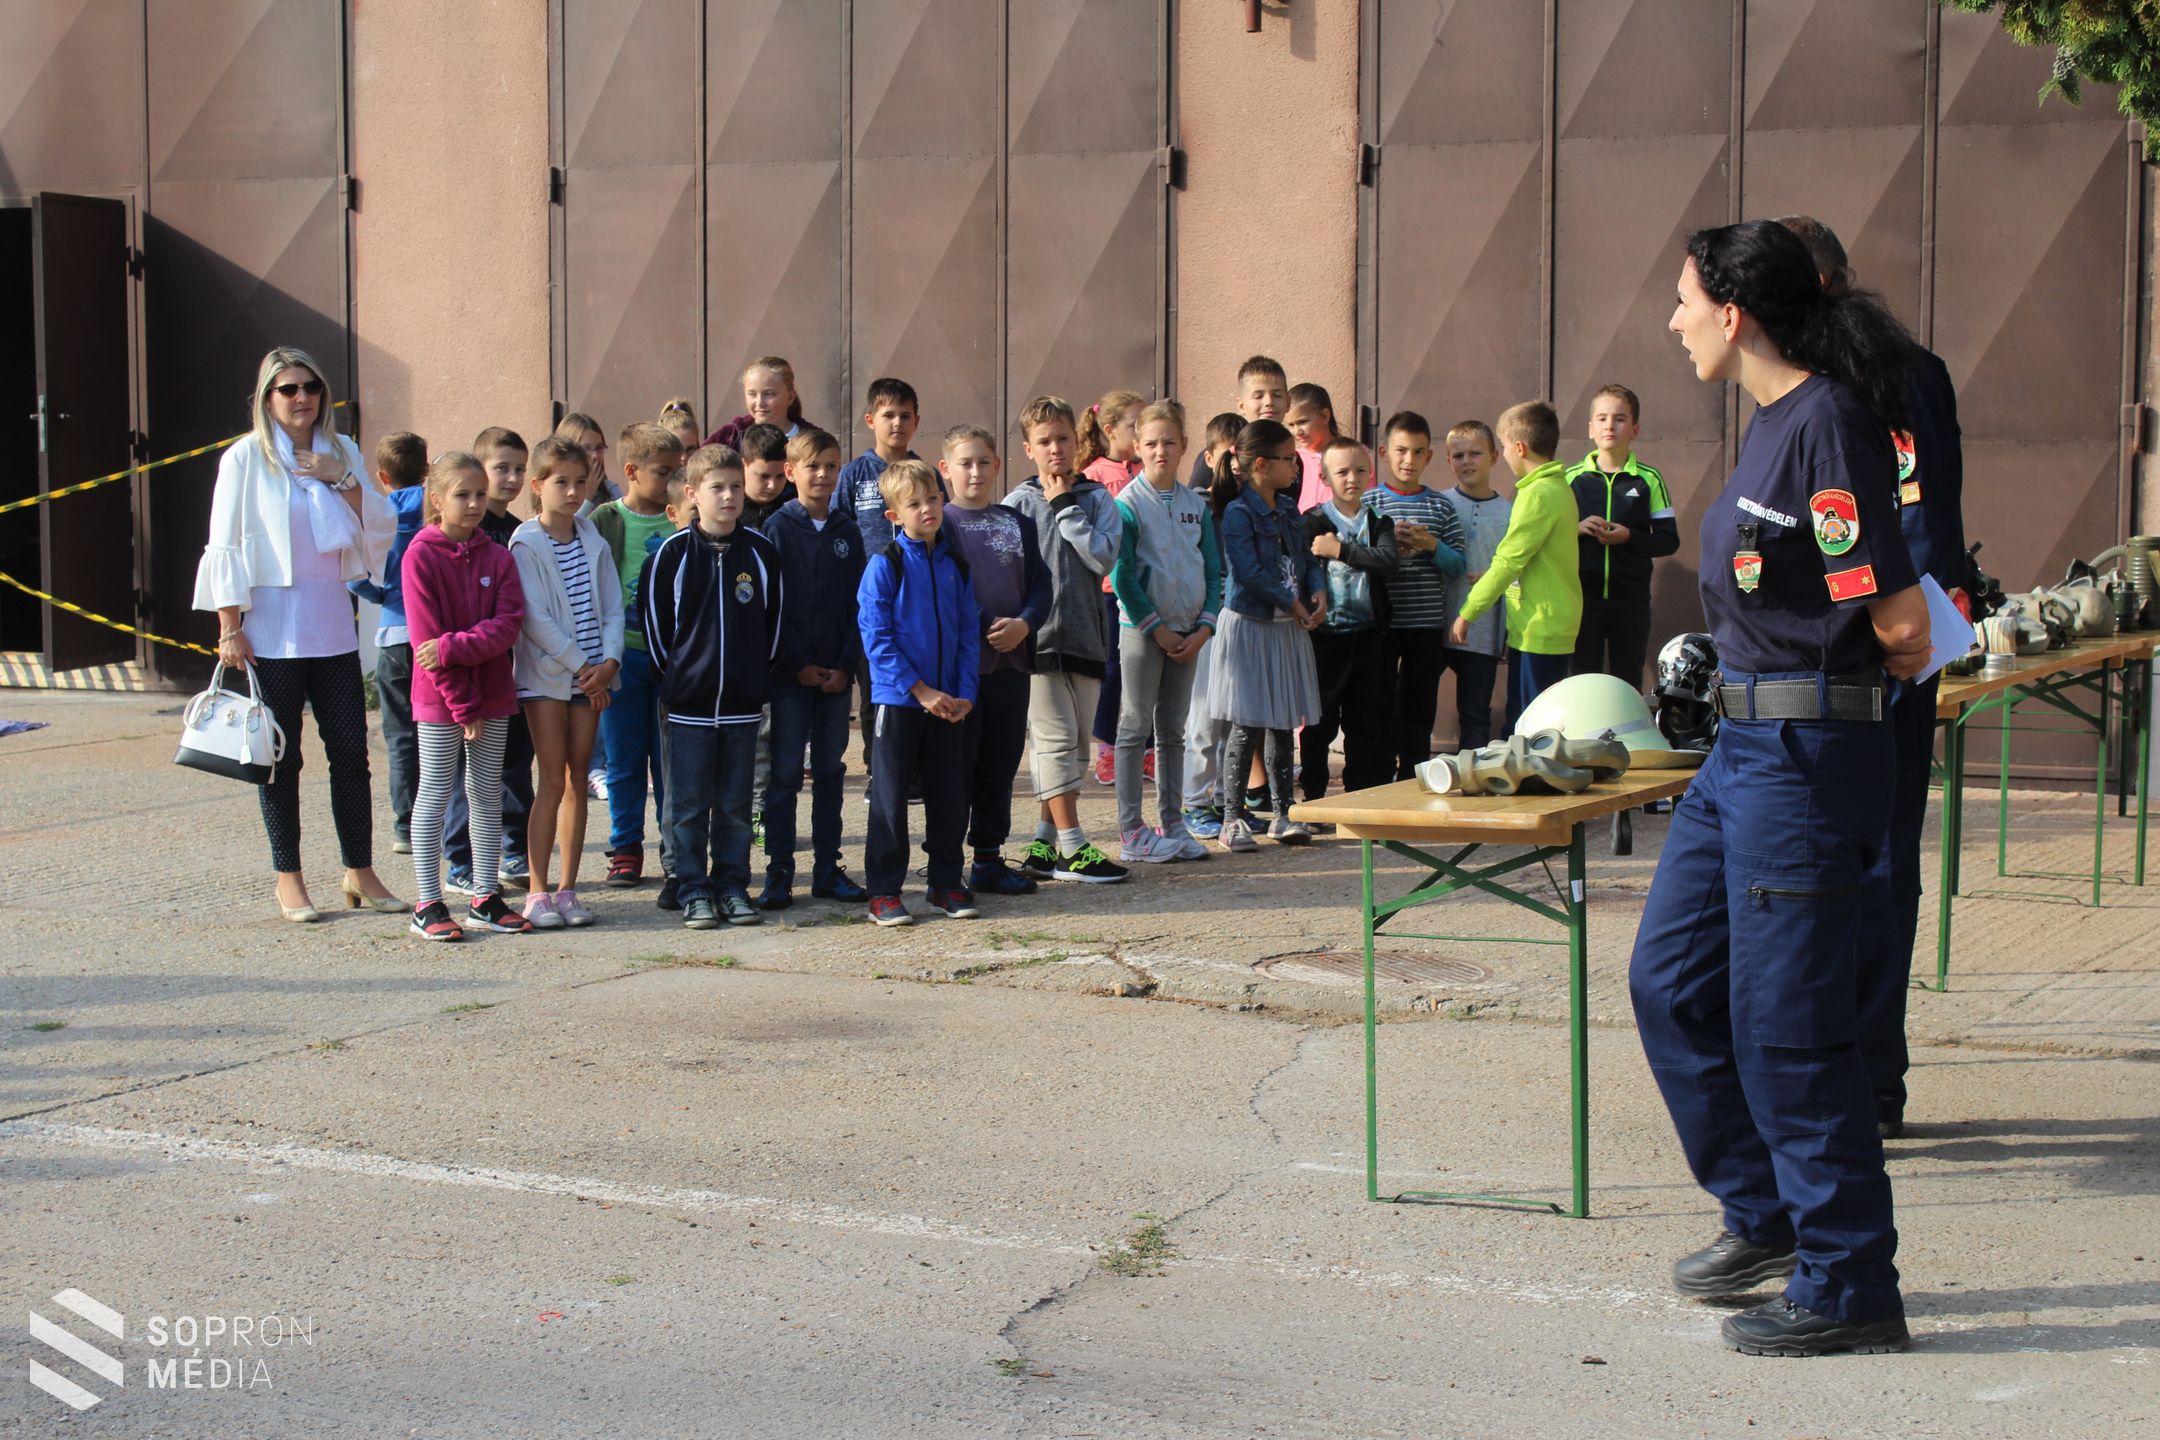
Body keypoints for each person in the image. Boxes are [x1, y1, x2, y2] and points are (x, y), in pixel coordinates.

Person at [1632, 218, 1930, 1358]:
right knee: (1672, 984)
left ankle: (1851, 1280)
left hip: (1804, 762)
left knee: (1788, 1027)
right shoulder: (1769, 430)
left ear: (1736, 312)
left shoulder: (1829, 427)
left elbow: (1896, 619)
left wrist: (1844, 653)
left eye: (1683, 299)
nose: (1674, 320)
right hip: (1738, 756)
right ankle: (1765, 1218)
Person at [1779, 213, 1966, 1141]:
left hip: (1864, 648)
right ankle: (1867, 1075)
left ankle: (1854, 1077)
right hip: (1904, 636)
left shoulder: (1847, 380)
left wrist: (1888, 636)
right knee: (1883, 854)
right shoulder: (1914, 366)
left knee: (1855, 860)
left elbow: (1902, 521)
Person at [194, 346, 399, 922]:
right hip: (270, 629)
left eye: (311, 387)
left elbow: (378, 526)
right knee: (280, 758)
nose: (302, 398)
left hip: (332, 624)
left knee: (351, 754)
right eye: (288, 389)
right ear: (267, 398)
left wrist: (343, 480)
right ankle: (290, 876)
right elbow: (225, 542)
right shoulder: (244, 460)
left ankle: (359, 869)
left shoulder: (344, 451)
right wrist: (228, 626)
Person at [641, 444, 783, 930]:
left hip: (742, 706)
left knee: (736, 803)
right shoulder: (671, 556)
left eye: (736, 487)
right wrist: (679, 679)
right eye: (717, 487)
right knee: (685, 804)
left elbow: (774, 625)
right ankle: (691, 887)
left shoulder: (761, 552)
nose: (729, 496)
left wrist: (753, 680)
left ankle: (731, 883)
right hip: (688, 708)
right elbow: (657, 631)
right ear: (692, 495)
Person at [401, 451, 531, 941]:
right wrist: (463, 706)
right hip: (442, 701)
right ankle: (427, 902)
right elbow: (425, 648)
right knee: (435, 793)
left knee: (486, 792)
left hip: (495, 695)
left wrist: (457, 646)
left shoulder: (497, 556)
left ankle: (484, 894)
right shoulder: (420, 555)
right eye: (463, 495)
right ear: (437, 500)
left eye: (480, 494)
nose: (475, 503)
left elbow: (507, 626)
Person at [1000, 395, 1129, 883]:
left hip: (1087, 637)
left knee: (1077, 749)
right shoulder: (1015, 504)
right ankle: (1075, 848)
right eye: (1044, 441)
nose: (1055, 449)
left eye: (1063, 439)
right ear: (1028, 448)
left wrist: (1064, 507)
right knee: (1052, 745)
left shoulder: (1097, 499)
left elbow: (1102, 559)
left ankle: (1043, 843)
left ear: (1077, 442)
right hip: (1036, 642)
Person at [857, 460, 982, 926]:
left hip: (949, 703)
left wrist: (964, 693)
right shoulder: (883, 565)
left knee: (950, 796)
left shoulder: (957, 565)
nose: (927, 508)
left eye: (932, 498)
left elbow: (970, 634)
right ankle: (884, 891)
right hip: (900, 700)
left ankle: (946, 883)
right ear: (894, 516)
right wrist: (921, 689)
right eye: (914, 503)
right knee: (890, 799)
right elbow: (876, 637)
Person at [510, 437, 622, 930]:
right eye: (561, 482)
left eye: (581, 482)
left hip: (594, 677)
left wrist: (610, 663)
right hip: (549, 678)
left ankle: (568, 890)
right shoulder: (525, 542)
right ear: (537, 486)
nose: (573, 491)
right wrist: (583, 667)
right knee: (551, 779)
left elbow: (613, 607)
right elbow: (535, 618)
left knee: (581, 778)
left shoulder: (592, 538)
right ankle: (536, 892)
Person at [757, 428, 869, 910]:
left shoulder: (847, 531)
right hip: (790, 678)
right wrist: (798, 663)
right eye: (811, 466)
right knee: (784, 773)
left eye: (830, 466)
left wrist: (843, 666)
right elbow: (771, 608)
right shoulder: (776, 529)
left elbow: (858, 606)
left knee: (829, 770)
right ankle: (779, 871)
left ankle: (827, 867)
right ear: (791, 472)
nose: (822, 475)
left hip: (836, 679)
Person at [941, 424, 1052, 896]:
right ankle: (946, 865)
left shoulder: (1016, 522)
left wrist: (1025, 623)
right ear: (945, 469)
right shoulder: (939, 522)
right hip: (964, 669)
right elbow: (950, 587)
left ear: (998, 466)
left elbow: (1042, 583)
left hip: (1012, 665)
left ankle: (987, 859)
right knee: (957, 768)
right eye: (964, 463)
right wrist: (992, 623)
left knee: (999, 765)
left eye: (984, 462)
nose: (975, 472)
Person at [1206, 418, 1325, 852]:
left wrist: (1316, 592)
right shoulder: (1237, 512)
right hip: (1251, 627)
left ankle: (1283, 814)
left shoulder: (1290, 509)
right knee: (1247, 723)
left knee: (1282, 723)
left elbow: (1307, 558)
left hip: (1284, 627)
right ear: (1260, 464)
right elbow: (1247, 571)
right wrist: (1291, 602)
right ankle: (1233, 819)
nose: (1295, 466)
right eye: (1288, 458)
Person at [1110, 400, 1221, 863]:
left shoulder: (1198, 505)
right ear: (1137, 447)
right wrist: (1155, 628)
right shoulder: (1127, 504)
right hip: (1144, 632)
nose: (1161, 451)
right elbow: (1122, 573)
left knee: (1173, 729)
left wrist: (1204, 627)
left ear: (1184, 447)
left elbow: (1214, 571)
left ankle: (1173, 823)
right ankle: (1132, 829)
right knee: (1135, 727)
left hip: (1189, 633)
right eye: (1151, 443)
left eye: (1169, 442)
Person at [590, 422, 686, 891]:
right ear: (631, 471)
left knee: (670, 762)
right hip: (621, 662)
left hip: (672, 662)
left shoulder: (679, 518)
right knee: (625, 761)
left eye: (678, 470)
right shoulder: (605, 521)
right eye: (663, 472)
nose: (674, 480)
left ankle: (676, 849)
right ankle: (625, 848)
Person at [442, 426, 535, 892]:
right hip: (462, 670)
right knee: (464, 771)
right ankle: (460, 859)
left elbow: (518, 609)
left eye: (520, 469)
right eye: (502, 468)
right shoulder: (459, 537)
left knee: (515, 763)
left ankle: (513, 848)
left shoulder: (519, 532)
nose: (513, 477)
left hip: (511, 670)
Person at [1450, 402, 1581, 733]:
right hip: (1541, 623)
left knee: (1529, 728)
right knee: (1526, 722)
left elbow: (1508, 561)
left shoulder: (1537, 494)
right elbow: (1537, 562)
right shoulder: (1555, 487)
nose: (1505, 454)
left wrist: (1468, 611)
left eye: (1504, 446)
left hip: (1541, 628)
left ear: (1519, 447)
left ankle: (1535, 784)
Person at [1363, 411, 1467, 779]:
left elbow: (1458, 565)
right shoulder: (1370, 502)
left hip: (1425, 625)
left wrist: (1429, 544)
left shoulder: (1441, 506)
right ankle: (1379, 777)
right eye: (1401, 451)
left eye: (1418, 452)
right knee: (1380, 703)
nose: (1409, 460)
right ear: (1384, 452)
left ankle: (1414, 776)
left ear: (1430, 457)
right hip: (1383, 624)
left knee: (1419, 706)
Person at [1299, 437, 1399, 807]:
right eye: (1342, 471)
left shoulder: (1378, 521)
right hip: (1325, 641)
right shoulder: (1312, 521)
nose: (1352, 478)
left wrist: (1340, 550)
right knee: (1318, 723)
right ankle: (1313, 798)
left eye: (1360, 470)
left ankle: (1361, 797)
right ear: (1325, 477)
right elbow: (1302, 570)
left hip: (1369, 638)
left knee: (1365, 721)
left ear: (1370, 474)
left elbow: (1389, 562)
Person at [833, 376, 923, 769]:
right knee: (873, 690)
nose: (897, 423)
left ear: (916, 421)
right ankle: (878, 768)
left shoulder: (924, 474)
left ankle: (916, 770)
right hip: (868, 605)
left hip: (916, 602)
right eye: (888, 415)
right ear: (870, 419)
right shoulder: (854, 474)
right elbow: (839, 529)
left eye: (905, 415)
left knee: (917, 684)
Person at [1568, 383, 1679, 684]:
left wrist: (1628, 537)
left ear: (1635, 429)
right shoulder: (1570, 480)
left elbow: (1669, 541)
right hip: (1581, 600)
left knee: (1627, 682)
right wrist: (1575, 530)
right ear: (1590, 428)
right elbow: (1547, 538)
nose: (1610, 426)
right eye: (1602, 418)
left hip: (1630, 603)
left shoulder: (1649, 480)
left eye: (1619, 418)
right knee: (1582, 682)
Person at [349, 430, 428, 855]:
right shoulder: (435, 505)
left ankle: (405, 827)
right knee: (442, 734)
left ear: (382, 476)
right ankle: (449, 820)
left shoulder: (376, 513)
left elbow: (354, 573)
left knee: (400, 737)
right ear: (428, 468)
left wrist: (383, 596)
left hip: (394, 634)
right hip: (435, 634)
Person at [1182, 412, 1246, 838]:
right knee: (1203, 719)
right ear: (1209, 456)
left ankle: (1227, 801)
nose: (1236, 466)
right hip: (1205, 622)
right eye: (1229, 456)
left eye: (1245, 457)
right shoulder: (1197, 506)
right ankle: (1194, 802)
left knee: (1233, 718)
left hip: (1243, 623)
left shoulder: (1251, 506)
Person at [1080, 388, 1147, 787]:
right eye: (1134, 426)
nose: (1141, 435)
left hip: (1145, 586)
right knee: (1112, 671)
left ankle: (1148, 750)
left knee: (1146, 670)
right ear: (1109, 430)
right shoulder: (1094, 476)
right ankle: (1106, 749)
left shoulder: (1145, 471)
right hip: (1108, 589)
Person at [1437, 420, 1510, 750]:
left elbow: (1517, 570)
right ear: (1448, 460)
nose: (1467, 461)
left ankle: (1473, 781)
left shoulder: (1510, 513)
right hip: (1436, 625)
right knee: (1413, 704)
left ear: (1494, 457)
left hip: (1482, 631)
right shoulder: (1438, 504)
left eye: (1476, 453)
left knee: (1476, 713)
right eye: (1459, 455)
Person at [703, 356, 817, 449]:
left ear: (790, 397)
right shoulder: (730, 437)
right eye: (752, 394)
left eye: (769, 394)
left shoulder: (813, 440)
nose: (760, 402)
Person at [1283, 382, 1341, 512]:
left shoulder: (1352, 455)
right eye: (1291, 425)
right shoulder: (1292, 460)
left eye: (1302, 422)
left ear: (1325, 416)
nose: (1297, 431)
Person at [738, 423, 797, 530]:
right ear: (744, 464)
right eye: (764, 476)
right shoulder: (728, 507)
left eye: (780, 476)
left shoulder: (796, 508)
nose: (772, 485)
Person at [557, 411, 617, 510]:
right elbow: (569, 524)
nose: (595, 455)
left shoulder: (611, 490)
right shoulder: (557, 490)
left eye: (599, 448)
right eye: (586, 448)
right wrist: (587, 498)